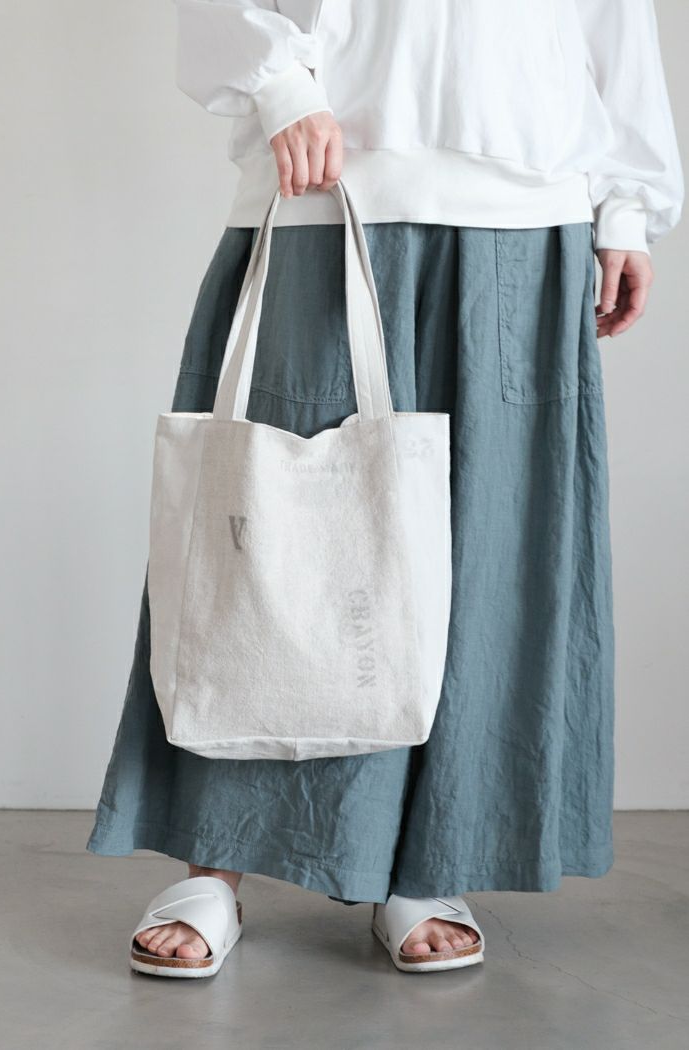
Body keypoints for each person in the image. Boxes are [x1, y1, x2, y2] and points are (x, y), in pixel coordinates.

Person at [86, 0, 684, 976]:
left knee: (487, 547)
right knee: (271, 540)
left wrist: (628, 206)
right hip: (326, 181)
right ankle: (215, 862)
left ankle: (425, 862)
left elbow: (612, 23)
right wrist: (279, 84)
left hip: (522, 206)